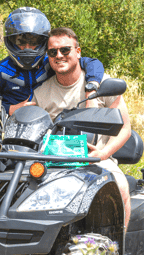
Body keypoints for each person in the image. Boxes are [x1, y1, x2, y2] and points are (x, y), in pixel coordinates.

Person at [32, 27, 132, 230]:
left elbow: (125, 128)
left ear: (78, 52)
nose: (59, 56)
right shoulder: (41, 92)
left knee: (120, 186)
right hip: (53, 161)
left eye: (65, 50)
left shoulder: (102, 84)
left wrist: (104, 153)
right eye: (53, 52)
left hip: (96, 160)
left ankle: (118, 251)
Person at [0, 7, 104, 114]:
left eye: (33, 42)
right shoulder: (3, 69)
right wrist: (10, 109)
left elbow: (93, 63)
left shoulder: (52, 61)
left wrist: (91, 88)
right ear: (11, 42)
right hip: (9, 129)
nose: (27, 48)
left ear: (42, 42)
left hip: (48, 126)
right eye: (21, 42)